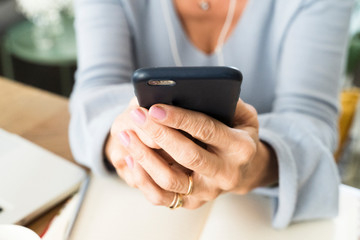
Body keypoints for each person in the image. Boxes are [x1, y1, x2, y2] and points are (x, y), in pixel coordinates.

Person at [69, 0, 353, 228]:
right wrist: (125, 141)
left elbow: (312, 121)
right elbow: (94, 94)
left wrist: (253, 163)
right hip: (135, 212)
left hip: (255, 214)